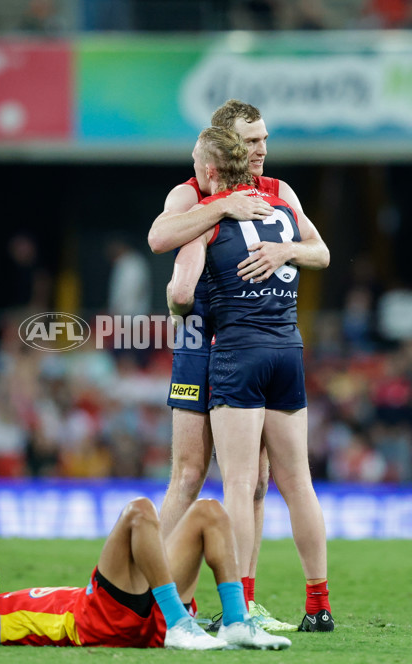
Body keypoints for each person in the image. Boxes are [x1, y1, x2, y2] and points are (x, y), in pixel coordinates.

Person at [148, 98, 329, 631]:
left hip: (247, 339)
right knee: (188, 474)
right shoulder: (191, 190)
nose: (262, 151)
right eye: (251, 142)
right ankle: (153, 593)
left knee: (254, 483)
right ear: (224, 142)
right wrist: (221, 207)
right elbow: (161, 239)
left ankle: (242, 601)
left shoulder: (281, 193)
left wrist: (285, 252)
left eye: (266, 140)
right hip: (203, 339)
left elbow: (319, 251)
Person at [0, 497, 291, 650]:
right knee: (137, 512)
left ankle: (236, 623)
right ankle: (182, 624)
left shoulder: (7, 600)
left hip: (138, 615)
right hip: (100, 617)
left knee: (209, 513)